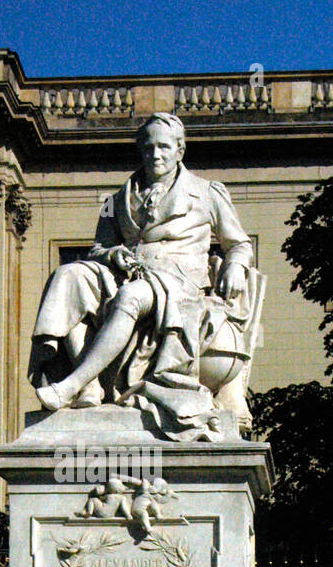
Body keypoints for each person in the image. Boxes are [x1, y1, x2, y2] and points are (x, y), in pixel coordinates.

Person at [28, 113, 256, 441]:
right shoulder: (118, 198)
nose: (156, 154)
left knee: (131, 297)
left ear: (180, 150)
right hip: (129, 272)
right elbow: (99, 248)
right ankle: (90, 387)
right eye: (148, 147)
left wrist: (235, 267)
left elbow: (239, 244)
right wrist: (112, 254)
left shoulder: (207, 193)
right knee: (68, 276)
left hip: (179, 284)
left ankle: (71, 384)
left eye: (164, 147)